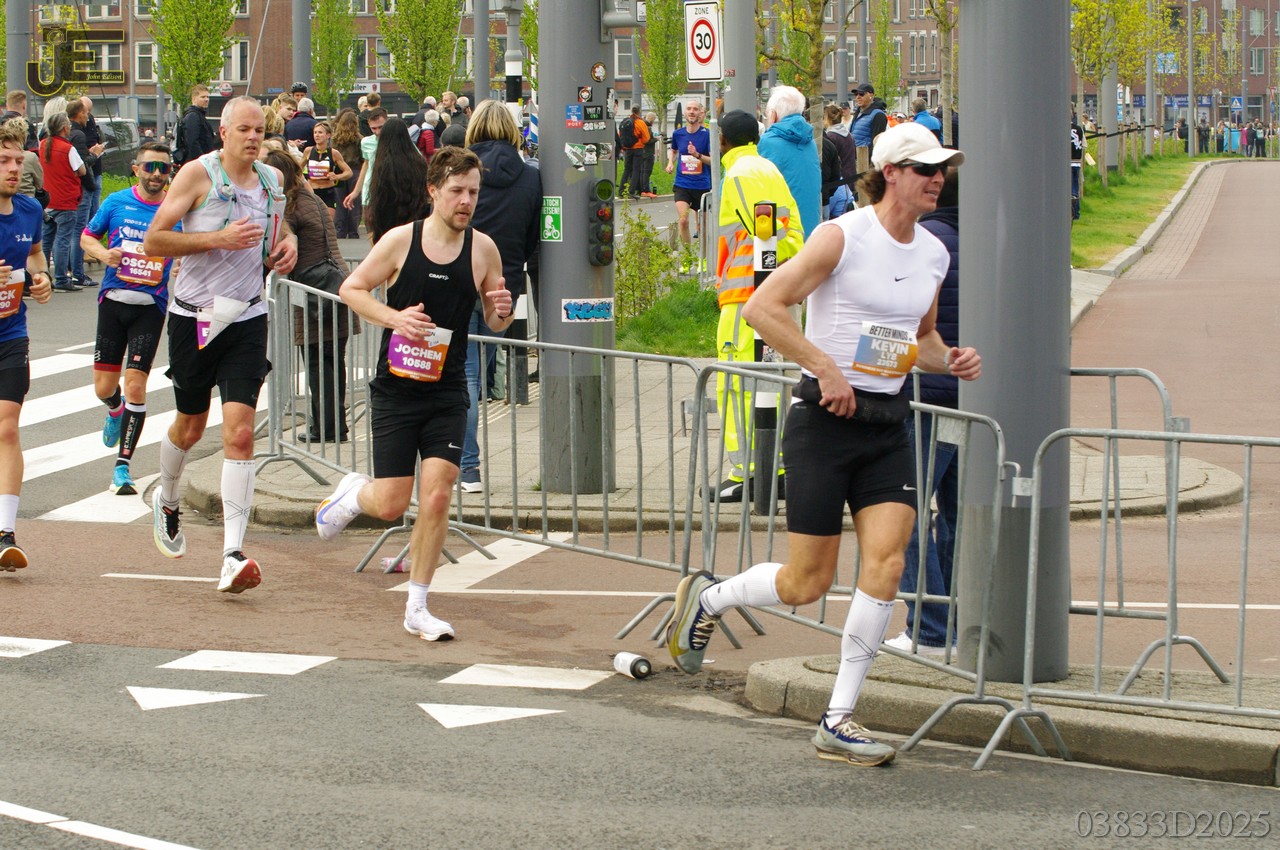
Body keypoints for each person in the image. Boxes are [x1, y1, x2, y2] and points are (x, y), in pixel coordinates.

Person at [666, 122, 980, 766]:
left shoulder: (933, 254)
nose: (938, 179)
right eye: (926, 169)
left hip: (888, 426)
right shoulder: (842, 236)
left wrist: (949, 359)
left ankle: (839, 717)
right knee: (806, 582)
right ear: (890, 173)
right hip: (824, 424)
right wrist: (824, 367)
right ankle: (711, 598)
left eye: (942, 168)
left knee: (886, 566)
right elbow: (762, 308)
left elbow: (919, 338)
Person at [316, 146, 512, 642]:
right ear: (433, 191)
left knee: (439, 494)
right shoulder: (401, 241)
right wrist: (395, 318)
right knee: (389, 504)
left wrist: (503, 310)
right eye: (457, 191)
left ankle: (418, 607)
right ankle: (351, 494)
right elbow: (352, 289)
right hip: (397, 391)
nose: (466, 201)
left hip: (448, 390)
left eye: (473, 192)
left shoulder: (483, 249)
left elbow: (495, 320)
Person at [141, 96, 298, 593]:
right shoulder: (197, 175)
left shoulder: (272, 181)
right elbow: (154, 241)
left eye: (259, 130)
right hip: (194, 317)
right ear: (224, 132)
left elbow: (278, 231)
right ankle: (167, 498)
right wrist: (217, 239)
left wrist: (288, 244)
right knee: (190, 426)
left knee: (241, 433)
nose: (253, 138)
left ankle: (232, 554)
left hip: (246, 316)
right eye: (243, 130)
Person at [708, 110, 803, 502]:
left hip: (747, 297)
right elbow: (789, 231)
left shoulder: (740, 173)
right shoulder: (768, 169)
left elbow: (765, 230)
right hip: (774, 291)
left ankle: (747, 472)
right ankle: (774, 467)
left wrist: (763, 284)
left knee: (737, 383)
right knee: (772, 383)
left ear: (722, 139)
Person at [79, 142, 178, 495]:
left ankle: (122, 467)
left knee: (136, 385)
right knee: (104, 388)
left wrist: (181, 263)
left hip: (150, 307)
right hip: (113, 302)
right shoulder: (116, 202)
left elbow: (189, 248)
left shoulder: (175, 210)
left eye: (164, 168)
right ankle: (114, 409)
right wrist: (104, 254)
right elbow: (87, 237)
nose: (156, 174)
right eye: (150, 167)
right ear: (136, 169)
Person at [889, 168, 960, 657]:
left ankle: (931, 629)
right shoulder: (989, 240)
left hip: (924, 394)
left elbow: (900, 321)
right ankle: (958, 622)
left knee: (903, 512)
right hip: (970, 396)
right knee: (957, 515)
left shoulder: (925, 244)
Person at [461, 100, 542, 493]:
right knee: (477, 374)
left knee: (464, 378)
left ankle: (467, 468)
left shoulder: (461, 174)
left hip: (459, 282)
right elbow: (532, 239)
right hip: (503, 290)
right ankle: (465, 465)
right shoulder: (532, 178)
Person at [265, 149, 355, 444]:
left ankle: (325, 428)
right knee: (332, 361)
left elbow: (276, 246)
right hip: (335, 285)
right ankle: (333, 425)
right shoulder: (312, 199)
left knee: (319, 363)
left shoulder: (289, 206)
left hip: (315, 294)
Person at [0, 119, 53, 570]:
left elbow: (35, 254)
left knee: (7, 428)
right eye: (4, 161)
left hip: (11, 335)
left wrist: (43, 276)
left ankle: (5, 533)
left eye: (19, 161)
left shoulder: (30, 209)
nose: (15, 169)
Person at [758, 85, 821, 239]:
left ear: (773, 115)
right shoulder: (809, 141)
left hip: (783, 231)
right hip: (809, 229)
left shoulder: (767, 142)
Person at [362, 117, 429, 245]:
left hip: (388, 220)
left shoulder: (382, 163)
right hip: (415, 217)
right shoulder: (418, 161)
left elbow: (379, 195)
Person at [41, 113, 85, 293]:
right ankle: (61, 278)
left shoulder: (42, 145)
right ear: (65, 128)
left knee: (46, 240)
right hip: (65, 200)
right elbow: (81, 170)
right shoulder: (68, 149)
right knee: (62, 240)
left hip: (47, 200)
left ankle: (44, 275)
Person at [664, 100, 712, 255]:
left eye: (695, 109)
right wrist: (670, 163)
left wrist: (697, 155)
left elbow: (713, 161)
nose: (692, 111)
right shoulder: (678, 134)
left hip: (702, 185)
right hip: (682, 184)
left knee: (702, 226)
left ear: (700, 113)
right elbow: (674, 150)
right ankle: (688, 258)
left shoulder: (707, 135)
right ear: (685, 113)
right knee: (683, 221)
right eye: (689, 109)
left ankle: (704, 258)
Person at [67, 99, 105, 288]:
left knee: (70, 231)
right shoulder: (78, 134)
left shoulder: (69, 133)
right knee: (79, 230)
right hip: (84, 185)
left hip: (73, 187)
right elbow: (82, 164)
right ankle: (77, 273)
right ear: (80, 113)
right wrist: (95, 153)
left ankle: (69, 271)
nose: (88, 116)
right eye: (86, 113)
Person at [301, 121, 352, 218]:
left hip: (328, 192)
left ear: (328, 135)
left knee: (328, 221)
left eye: (320, 132)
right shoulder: (308, 151)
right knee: (313, 221)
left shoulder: (334, 153)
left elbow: (348, 172)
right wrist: (303, 181)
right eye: (315, 132)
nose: (317, 135)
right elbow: (297, 169)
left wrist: (336, 176)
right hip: (312, 191)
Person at [342, 107, 387, 216]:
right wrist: (356, 191)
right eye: (373, 128)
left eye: (381, 127)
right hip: (370, 192)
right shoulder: (366, 142)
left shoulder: (398, 140)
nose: (377, 132)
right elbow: (366, 165)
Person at [330, 110, 363, 238]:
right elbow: (363, 158)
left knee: (339, 201)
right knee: (354, 202)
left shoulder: (335, 139)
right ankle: (353, 230)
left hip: (339, 172)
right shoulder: (359, 139)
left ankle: (340, 230)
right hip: (355, 171)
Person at [850, 82, 888, 183]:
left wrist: (870, 166)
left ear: (871, 95)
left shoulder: (878, 115)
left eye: (861, 94)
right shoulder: (858, 112)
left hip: (866, 163)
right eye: (856, 94)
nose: (858, 97)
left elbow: (877, 142)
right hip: (855, 161)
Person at [824, 104, 856, 219]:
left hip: (839, 183)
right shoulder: (849, 135)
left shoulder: (831, 137)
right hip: (850, 177)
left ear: (827, 118)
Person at [176, 85, 217, 166]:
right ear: (194, 99)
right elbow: (192, 142)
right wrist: (204, 162)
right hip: (197, 163)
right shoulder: (193, 116)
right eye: (203, 97)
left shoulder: (198, 115)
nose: (206, 99)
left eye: (207, 97)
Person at [619, 106, 650, 198]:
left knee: (627, 170)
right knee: (636, 170)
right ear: (639, 112)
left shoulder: (625, 121)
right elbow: (646, 139)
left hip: (627, 149)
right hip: (638, 149)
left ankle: (621, 191)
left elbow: (621, 135)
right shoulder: (640, 122)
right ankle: (631, 191)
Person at [1070, 108, 1085, 223]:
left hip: (1067, 162)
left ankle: (1071, 212)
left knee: (1069, 188)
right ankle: (1076, 213)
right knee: (1075, 187)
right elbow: (1084, 145)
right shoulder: (1079, 129)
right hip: (1077, 162)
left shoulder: (1062, 128)